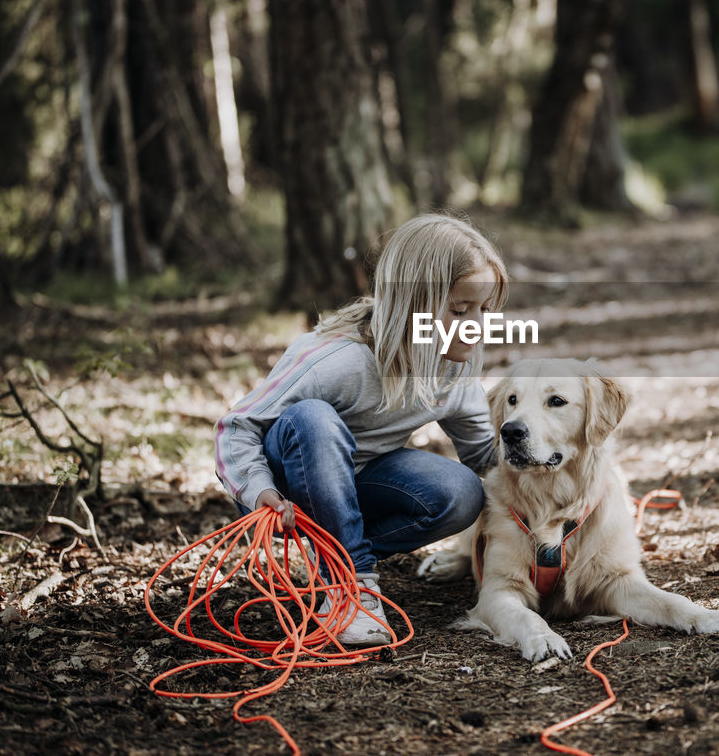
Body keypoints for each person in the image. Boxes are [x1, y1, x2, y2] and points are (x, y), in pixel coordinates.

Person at [214, 213, 507, 646]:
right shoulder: (339, 361)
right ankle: (350, 581)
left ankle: (333, 553)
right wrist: (257, 489)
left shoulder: (451, 371)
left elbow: (487, 457)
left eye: (485, 310)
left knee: (462, 492)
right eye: (461, 310)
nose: (477, 325)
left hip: (358, 481)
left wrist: (564, 477)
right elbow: (235, 428)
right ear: (415, 306)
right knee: (314, 418)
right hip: (285, 488)